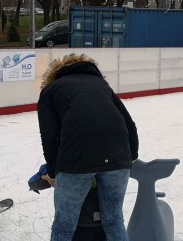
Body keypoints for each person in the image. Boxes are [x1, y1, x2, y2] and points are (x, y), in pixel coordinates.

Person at [38, 53, 138, 241]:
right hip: (118, 156)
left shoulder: (51, 90)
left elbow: (49, 136)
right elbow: (129, 124)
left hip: (76, 159)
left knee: (64, 227)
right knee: (114, 221)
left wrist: (53, 171)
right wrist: (129, 157)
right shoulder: (102, 86)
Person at [29, 165, 106, 241]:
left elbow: (36, 181)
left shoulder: (65, 160)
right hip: (105, 222)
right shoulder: (109, 163)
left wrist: (38, 182)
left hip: (78, 223)